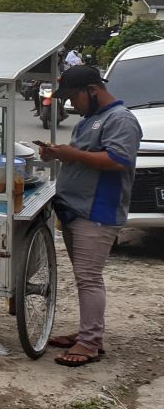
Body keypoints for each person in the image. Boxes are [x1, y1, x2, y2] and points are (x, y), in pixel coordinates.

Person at [37, 65, 142, 367]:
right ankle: (86, 332)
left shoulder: (121, 119)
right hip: (76, 209)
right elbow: (83, 154)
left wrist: (71, 154)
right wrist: (58, 152)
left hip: (97, 212)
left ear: (92, 91)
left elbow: (118, 160)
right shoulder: (90, 120)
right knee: (84, 277)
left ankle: (90, 343)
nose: (70, 104)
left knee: (89, 279)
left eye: (73, 97)